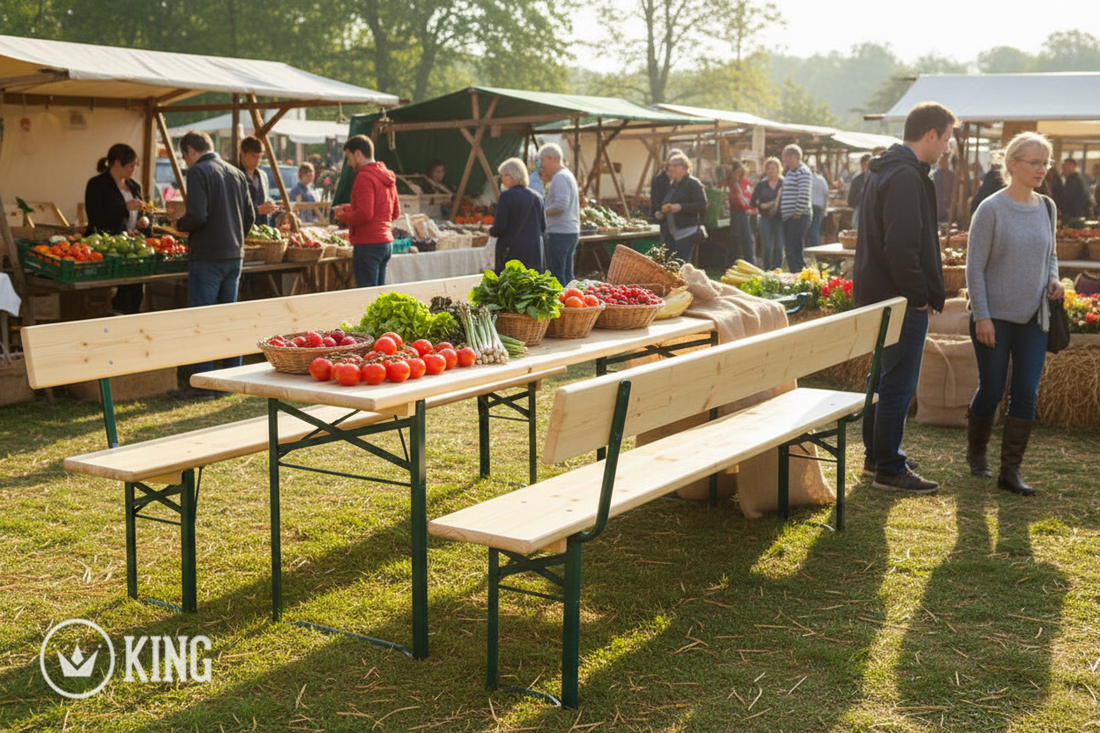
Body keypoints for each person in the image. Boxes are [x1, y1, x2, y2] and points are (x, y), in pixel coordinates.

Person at [853, 101, 957, 494]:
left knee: (882, 375)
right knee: (896, 381)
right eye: (945, 139)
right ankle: (889, 467)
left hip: (880, 293)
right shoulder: (905, 176)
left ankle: (876, 455)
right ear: (930, 134)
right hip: (898, 298)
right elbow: (900, 245)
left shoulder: (886, 170)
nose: (946, 147)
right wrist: (917, 295)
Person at [965, 132, 1063, 496]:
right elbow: (975, 269)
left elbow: (1051, 254)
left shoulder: (1047, 208)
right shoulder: (990, 209)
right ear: (1013, 164)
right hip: (994, 316)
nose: (1042, 169)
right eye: (1034, 162)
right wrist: (983, 317)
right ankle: (976, 453)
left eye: (1045, 163)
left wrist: (1053, 279)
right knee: (992, 388)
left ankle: (1010, 471)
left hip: (1034, 318)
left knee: (1026, 391)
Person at [174, 130, 255, 398]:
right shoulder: (235, 172)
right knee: (227, 318)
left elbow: (197, 215)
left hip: (208, 255)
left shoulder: (198, 171)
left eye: (184, 157)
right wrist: (235, 238)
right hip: (234, 254)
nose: (186, 162)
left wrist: (179, 225)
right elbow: (250, 215)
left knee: (202, 320)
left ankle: (205, 384)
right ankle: (231, 376)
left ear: (190, 151)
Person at [84, 143, 151, 314]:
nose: (133, 169)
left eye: (135, 165)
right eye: (130, 165)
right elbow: (96, 217)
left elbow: (143, 211)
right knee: (119, 294)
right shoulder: (97, 185)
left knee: (135, 290)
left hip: (132, 246)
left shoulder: (134, 186)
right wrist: (124, 207)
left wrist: (144, 221)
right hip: (107, 247)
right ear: (116, 164)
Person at [333, 135, 400, 288]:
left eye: (349, 157)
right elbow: (394, 212)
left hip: (368, 244)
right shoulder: (387, 175)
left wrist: (343, 216)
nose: (349, 163)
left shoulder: (364, 176)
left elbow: (365, 214)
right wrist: (348, 208)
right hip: (386, 244)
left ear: (358, 154)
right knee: (378, 297)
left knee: (367, 298)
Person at [489, 158, 546, 272]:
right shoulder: (537, 197)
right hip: (534, 253)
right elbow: (543, 227)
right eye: (502, 176)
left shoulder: (506, 197)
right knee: (531, 287)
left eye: (506, 175)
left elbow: (500, 228)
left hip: (512, 253)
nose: (503, 179)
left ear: (516, 175)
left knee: (511, 287)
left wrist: (491, 231)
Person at [538, 143, 580, 287]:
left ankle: (562, 307)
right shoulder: (567, 175)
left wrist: (541, 211)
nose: (542, 166)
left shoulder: (560, 177)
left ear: (551, 158)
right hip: (569, 231)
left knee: (557, 275)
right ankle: (573, 305)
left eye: (543, 161)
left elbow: (561, 205)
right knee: (568, 275)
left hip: (559, 232)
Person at [654, 153, 707, 263]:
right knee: (670, 264)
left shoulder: (693, 184)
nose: (670, 168)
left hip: (686, 232)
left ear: (684, 167)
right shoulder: (674, 185)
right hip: (671, 232)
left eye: (675, 165)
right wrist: (660, 213)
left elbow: (702, 204)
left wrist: (681, 207)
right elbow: (667, 204)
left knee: (681, 264)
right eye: (669, 165)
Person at [779, 144, 812, 272]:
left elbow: (804, 194)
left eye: (789, 158)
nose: (787, 161)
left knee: (793, 249)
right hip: (790, 217)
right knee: (791, 249)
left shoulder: (802, 171)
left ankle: (798, 273)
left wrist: (797, 212)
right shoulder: (790, 172)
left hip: (798, 217)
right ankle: (797, 273)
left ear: (796, 157)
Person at [750, 157, 784, 270]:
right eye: (768, 168)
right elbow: (753, 202)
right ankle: (767, 270)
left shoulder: (783, 183)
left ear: (778, 169)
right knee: (767, 246)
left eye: (773, 168)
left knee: (779, 246)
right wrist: (762, 206)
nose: (771, 171)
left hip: (780, 219)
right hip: (765, 218)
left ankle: (778, 269)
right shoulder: (761, 185)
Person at [238, 136, 279, 227]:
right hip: (243, 229)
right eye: (254, 156)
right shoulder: (235, 176)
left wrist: (274, 205)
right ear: (243, 154)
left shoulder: (262, 175)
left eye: (259, 157)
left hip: (262, 229)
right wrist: (257, 210)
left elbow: (264, 198)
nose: (257, 161)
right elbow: (232, 208)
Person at [650, 148, 684, 247]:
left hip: (682, 224)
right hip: (665, 224)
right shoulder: (658, 180)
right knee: (666, 250)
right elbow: (654, 201)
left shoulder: (686, 181)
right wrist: (656, 212)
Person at [725, 161, 756, 266]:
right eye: (735, 172)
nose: (736, 174)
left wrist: (751, 209)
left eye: (739, 172)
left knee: (745, 238)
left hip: (744, 214)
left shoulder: (745, 184)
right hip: (732, 214)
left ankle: (749, 261)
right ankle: (735, 262)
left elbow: (748, 199)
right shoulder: (727, 183)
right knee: (735, 238)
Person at [806, 166, 829, 249]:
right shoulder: (822, 180)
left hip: (808, 206)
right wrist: (825, 208)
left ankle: (810, 249)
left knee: (807, 230)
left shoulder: (807, 180)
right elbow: (826, 194)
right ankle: (816, 249)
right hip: (819, 207)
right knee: (815, 229)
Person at [847, 153, 871, 230]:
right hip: (860, 211)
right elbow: (851, 200)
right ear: (862, 165)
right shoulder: (857, 179)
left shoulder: (876, 178)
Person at [932, 151, 956, 224]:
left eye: (945, 160)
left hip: (948, 206)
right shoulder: (935, 175)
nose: (943, 162)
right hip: (938, 205)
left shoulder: (952, 175)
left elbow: (954, 191)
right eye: (941, 160)